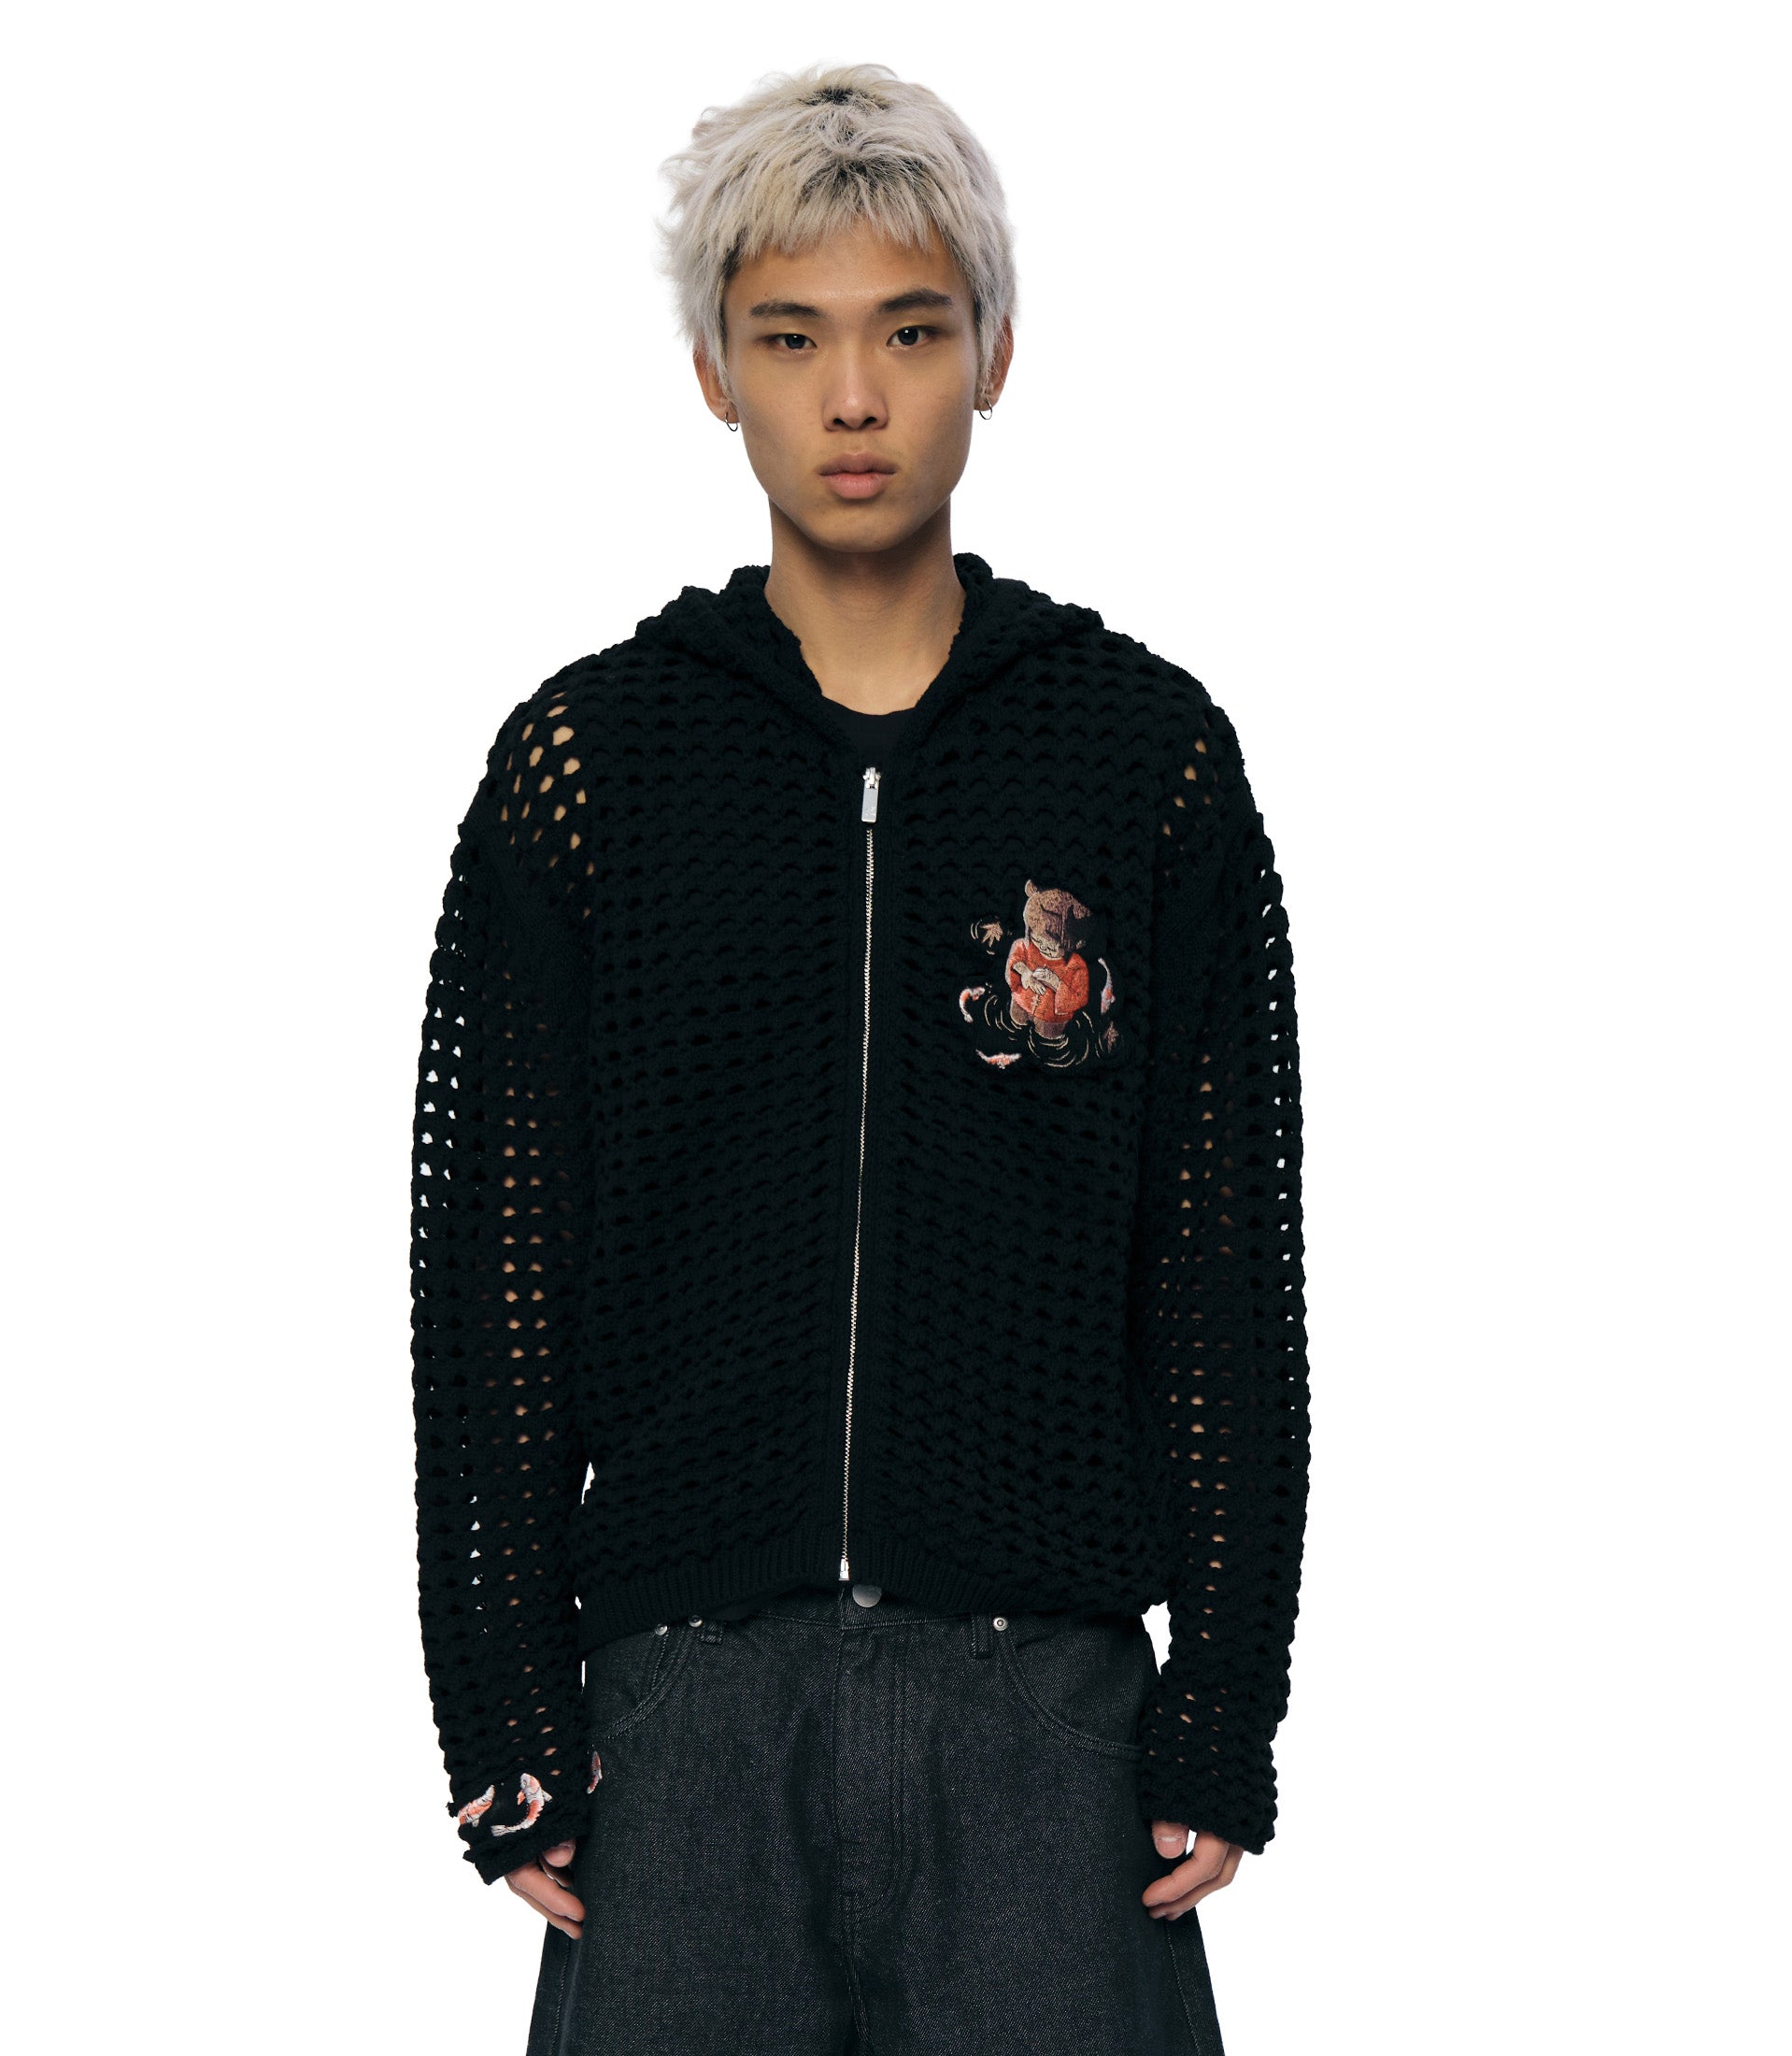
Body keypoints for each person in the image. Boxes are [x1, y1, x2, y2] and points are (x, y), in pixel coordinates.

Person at [409, 63, 1309, 2056]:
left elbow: (1223, 1270)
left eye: (907, 332)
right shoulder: (590, 769)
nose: (851, 398)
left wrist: (1223, 1692)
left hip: (1046, 1720)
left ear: (993, 353)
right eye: (788, 337)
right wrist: (500, 1700)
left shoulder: (1141, 761)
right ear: (712, 373)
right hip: (683, 1719)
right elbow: (492, 1284)